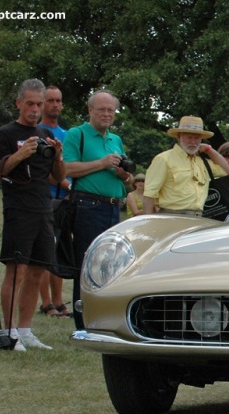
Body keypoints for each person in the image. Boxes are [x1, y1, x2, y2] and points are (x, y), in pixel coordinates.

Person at [0, 79, 66, 350]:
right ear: (19, 103)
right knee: (17, 270)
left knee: (37, 271)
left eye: (39, 104)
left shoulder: (45, 133)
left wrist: (57, 156)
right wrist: (20, 154)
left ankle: (26, 329)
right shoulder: (5, 133)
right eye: (30, 103)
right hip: (18, 209)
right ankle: (9, 331)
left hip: (43, 208)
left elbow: (59, 179)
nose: (35, 109)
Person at [64, 89, 134, 329]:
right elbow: (67, 169)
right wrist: (102, 163)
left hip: (114, 207)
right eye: (101, 109)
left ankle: (106, 318)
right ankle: (82, 321)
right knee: (86, 264)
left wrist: (124, 175)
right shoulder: (77, 134)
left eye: (111, 110)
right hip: (88, 206)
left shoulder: (115, 140)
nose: (106, 114)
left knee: (111, 265)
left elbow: (125, 179)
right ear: (90, 111)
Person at [142, 115, 229, 216]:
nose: (193, 142)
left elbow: (227, 171)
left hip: (198, 217)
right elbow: (149, 195)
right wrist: (148, 222)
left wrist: (209, 150)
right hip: (171, 216)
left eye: (197, 138)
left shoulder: (202, 162)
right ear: (179, 136)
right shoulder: (163, 159)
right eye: (189, 137)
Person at [37, 85, 72, 318]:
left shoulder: (67, 135)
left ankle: (59, 302)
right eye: (50, 100)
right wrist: (66, 183)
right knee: (44, 250)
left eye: (58, 100)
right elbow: (44, 169)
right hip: (44, 196)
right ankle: (46, 303)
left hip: (63, 201)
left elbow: (67, 164)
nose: (55, 105)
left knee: (58, 248)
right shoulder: (37, 131)